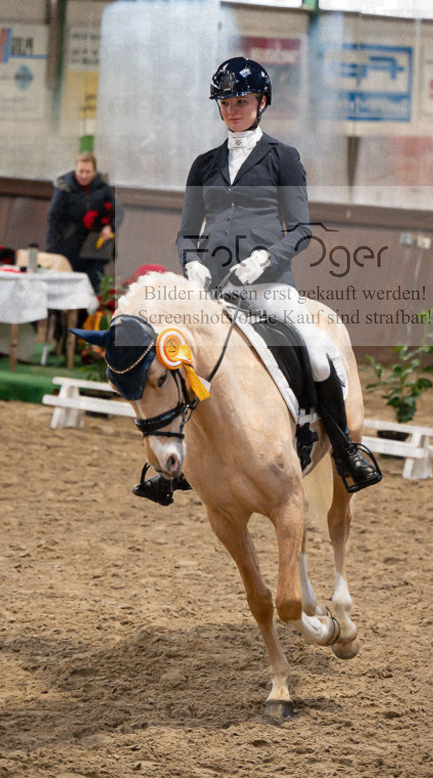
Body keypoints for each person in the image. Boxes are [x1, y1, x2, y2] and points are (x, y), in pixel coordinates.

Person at [134, 56, 382, 506]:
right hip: (213, 290)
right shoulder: (204, 164)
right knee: (175, 358)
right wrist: (192, 263)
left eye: (241, 101)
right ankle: (175, 470)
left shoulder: (282, 159)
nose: (232, 109)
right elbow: (188, 231)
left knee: (319, 353)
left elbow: (303, 230)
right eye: (225, 102)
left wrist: (265, 258)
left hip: (270, 284)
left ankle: (346, 451)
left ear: (261, 102)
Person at [45, 152, 122, 294]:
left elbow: (117, 212)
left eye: (88, 172)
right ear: (75, 170)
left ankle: (92, 316)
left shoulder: (103, 188)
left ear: (94, 171)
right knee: (68, 290)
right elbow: (53, 219)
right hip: (69, 245)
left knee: (95, 287)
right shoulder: (64, 188)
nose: (84, 176)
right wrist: (51, 249)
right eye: (81, 171)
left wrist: (109, 227)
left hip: (94, 247)